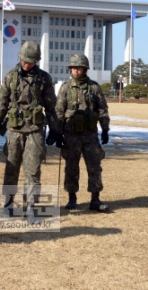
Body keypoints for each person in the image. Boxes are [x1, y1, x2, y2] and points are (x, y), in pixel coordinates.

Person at [0, 41, 58, 224]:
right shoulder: (10, 77)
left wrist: (56, 130)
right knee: (11, 169)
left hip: (35, 131)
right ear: (20, 57)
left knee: (33, 172)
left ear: (36, 61)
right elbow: (1, 105)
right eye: (24, 60)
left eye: (30, 61)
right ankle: (8, 205)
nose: (26, 63)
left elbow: (51, 108)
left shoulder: (44, 79)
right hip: (14, 130)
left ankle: (31, 209)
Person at [54, 54, 110, 211]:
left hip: (90, 135)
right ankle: (72, 198)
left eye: (79, 68)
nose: (76, 70)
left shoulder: (94, 87)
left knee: (94, 167)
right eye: (73, 68)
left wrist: (105, 128)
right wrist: (58, 133)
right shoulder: (65, 88)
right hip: (71, 135)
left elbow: (102, 109)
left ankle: (95, 199)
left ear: (85, 69)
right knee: (71, 167)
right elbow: (59, 111)